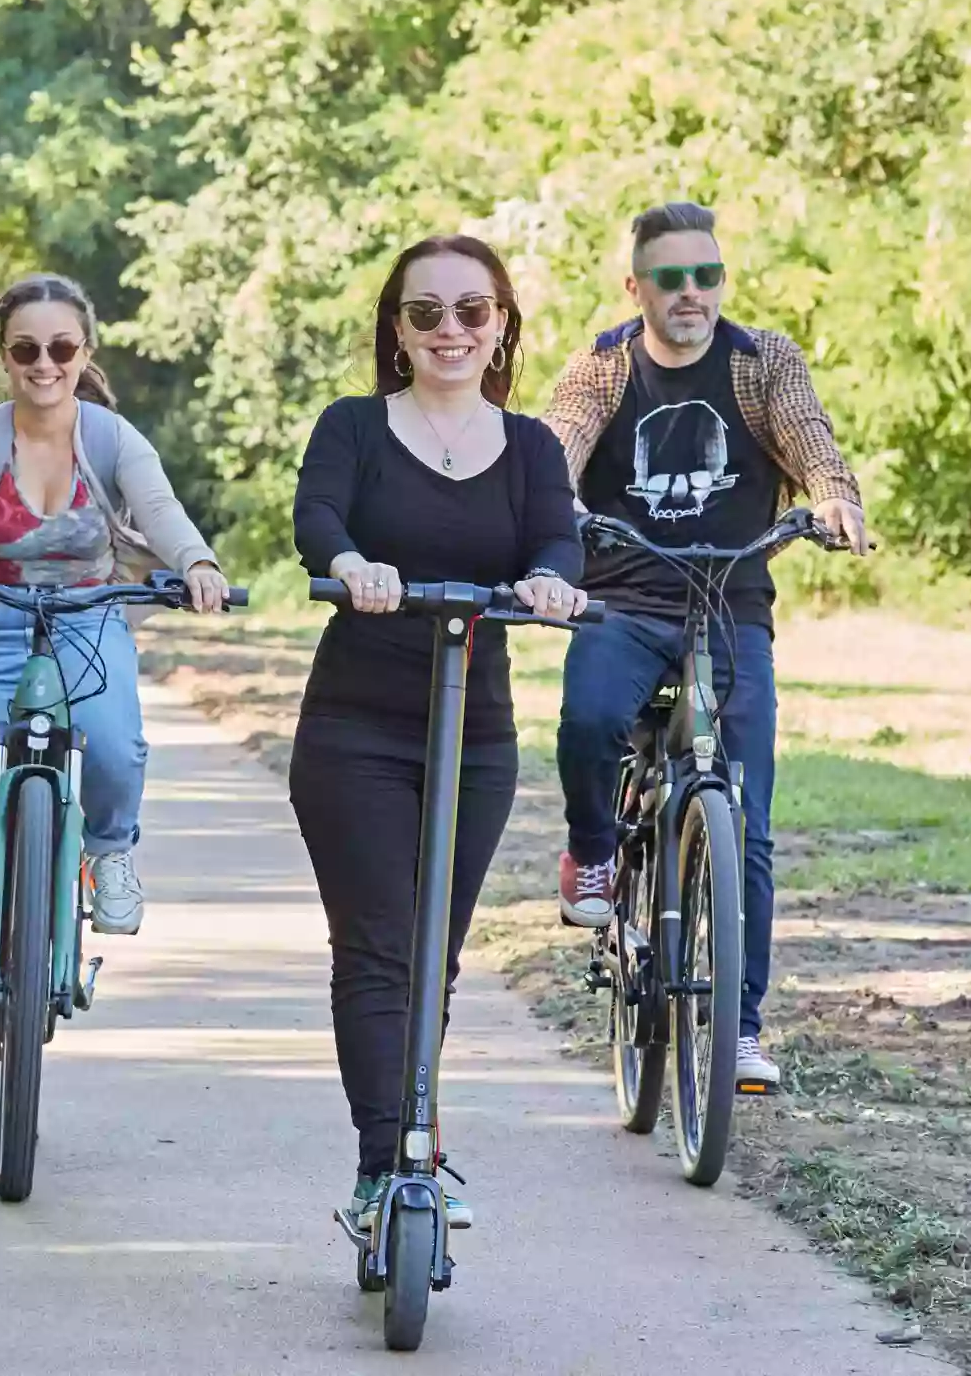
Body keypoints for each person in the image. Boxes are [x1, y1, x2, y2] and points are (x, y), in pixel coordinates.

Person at [0, 275, 229, 1101]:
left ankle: (109, 849)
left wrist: (197, 561)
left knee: (118, 745)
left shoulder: (112, 437)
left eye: (62, 348)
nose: (45, 363)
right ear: (5, 358)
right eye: (26, 349)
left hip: (90, 620)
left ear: (84, 352)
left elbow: (160, 510)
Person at [289, 234, 587, 1232]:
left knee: (433, 956)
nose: (450, 330)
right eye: (427, 313)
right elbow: (317, 516)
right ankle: (389, 1169)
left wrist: (548, 579)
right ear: (397, 328)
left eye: (472, 311)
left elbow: (554, 534)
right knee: (377, 950)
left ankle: (414, 1133)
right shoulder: (353, 428)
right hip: (354, 732)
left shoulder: (533, 447)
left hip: (475, 734)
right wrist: (350, 564)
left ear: (500, 324)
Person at [546, 200, 873, 1095]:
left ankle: (740, 1030)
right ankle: (595, 847)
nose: (691, 294)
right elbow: (559, 442)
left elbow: (809, 437)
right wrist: (552, 504)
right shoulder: (604, 365)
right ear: (635, 286)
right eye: (670, 278)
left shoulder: (763, 359)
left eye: (707, 275)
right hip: (626, 598)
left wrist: (835, 496)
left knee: (751, 822)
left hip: (733, 606)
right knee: (590, 720)